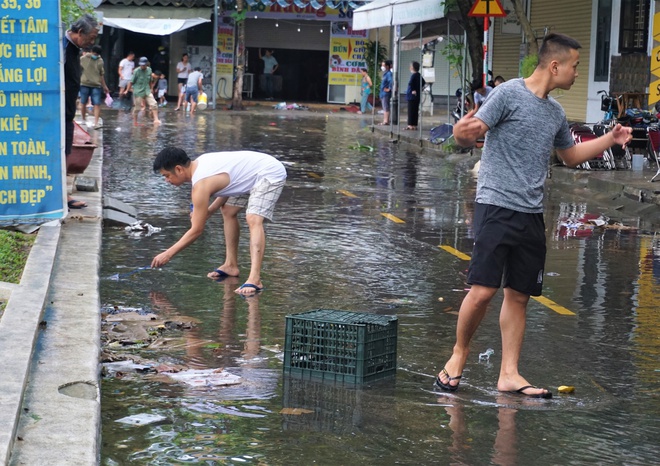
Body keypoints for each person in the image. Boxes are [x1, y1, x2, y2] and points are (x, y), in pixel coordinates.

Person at [436, 33, 633, 399]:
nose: (577, 73)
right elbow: (473, 131)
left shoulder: (555, 112)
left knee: (520, 294)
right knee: (482, 290)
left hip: (530, 213)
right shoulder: (509, 93)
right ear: (555, 66)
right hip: (495, 205)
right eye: (575, 65)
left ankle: (509, 373)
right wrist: (460, 135)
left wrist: (610, 138)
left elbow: (570, 156)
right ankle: (458, 354)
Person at [151, 147, 287, 295]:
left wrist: (168, 254)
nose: (166, 181)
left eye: (166, 175)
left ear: (178, 169)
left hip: (269, 172)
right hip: (251, 174)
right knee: (228, 210)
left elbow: (196, 230)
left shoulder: (200, 184)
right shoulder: (200, 165)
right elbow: (229, 183)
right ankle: (230, 265)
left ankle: (255, 279)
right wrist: (210, 210)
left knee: (253, 218)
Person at [64, 13, 99, 209]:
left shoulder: (75, 49)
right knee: (59, 155)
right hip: (56, 113)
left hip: (67, 113)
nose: (92, 42)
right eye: (91, 37)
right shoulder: (63, 47)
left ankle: (63, 195)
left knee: (65, 154)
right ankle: (62, 196)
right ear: (79, 32)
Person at [79, 45, 110, 130]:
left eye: (97, 54)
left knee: (97, 104)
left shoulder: (100, 61)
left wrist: (104, 86)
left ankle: (96, 122)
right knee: (83, 102)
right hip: (85, 83)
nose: (95, 55)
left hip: (96, 85)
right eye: (94, 53)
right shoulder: (84, 58)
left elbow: (101, 74)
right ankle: (83, 119)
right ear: (91, 51)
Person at [124, 57, 161, 126]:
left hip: (147, 90)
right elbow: (131, 81)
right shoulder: (136, 71)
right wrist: (127, 90)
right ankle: (135, 121)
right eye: (141, 65)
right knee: (137, 108)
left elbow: (150, 80)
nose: (142, 66)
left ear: (146, 64)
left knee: (154, 104)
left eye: (144, 65)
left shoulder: (149, 70)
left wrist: (151, 89)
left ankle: (156, 119)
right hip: (138, 91)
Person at [405, 61, 424, 130]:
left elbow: (411, 83)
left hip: (411, 96)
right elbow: (423, 82)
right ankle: (414, 124)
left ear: (412, 68)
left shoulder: (413, 75)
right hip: (417, 96)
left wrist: (413, 89)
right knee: (415, 111)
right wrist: (419, 89)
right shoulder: (419, 75)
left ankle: (410, 124)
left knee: (410, 110)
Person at [379, 60, 393, 126]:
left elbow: (391, 81)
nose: (382, 67)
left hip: (385, 93)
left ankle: (386, 121)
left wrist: (389, 89)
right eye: (382, 65)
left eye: (383, 65)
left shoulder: (389, 74)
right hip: (383, 93)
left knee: (386, 107)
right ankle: (385, 120)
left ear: (387, 66)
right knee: (385, 107)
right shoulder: (385, 73)